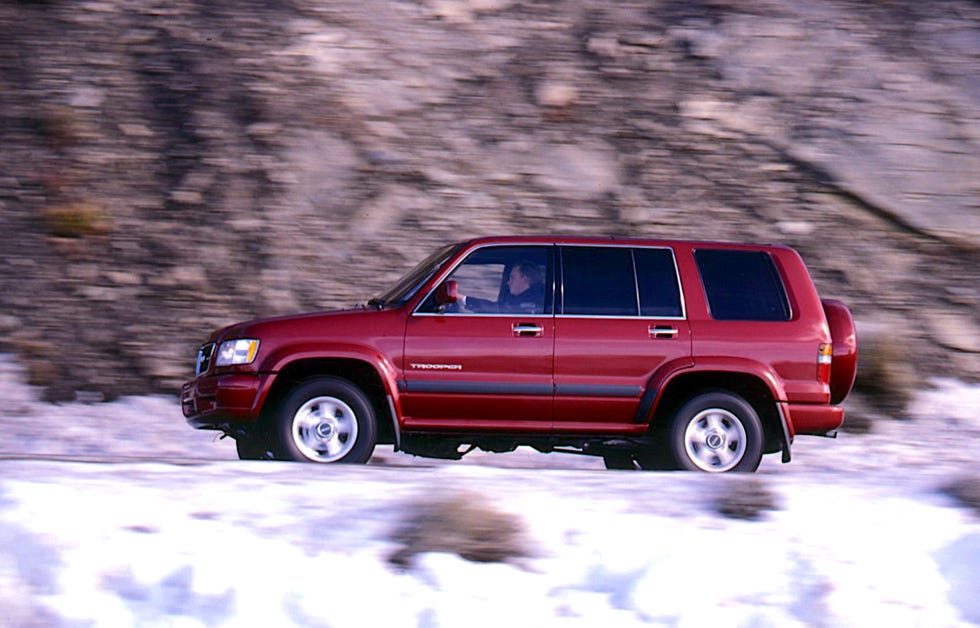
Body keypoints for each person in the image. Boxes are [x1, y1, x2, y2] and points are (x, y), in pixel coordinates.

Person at [459, 260, 545, 314]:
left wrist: (463, 299)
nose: (508, 282)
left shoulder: (531, 303)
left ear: (525, 280)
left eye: (512, 278)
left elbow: (498, 309)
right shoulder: (519, 299)